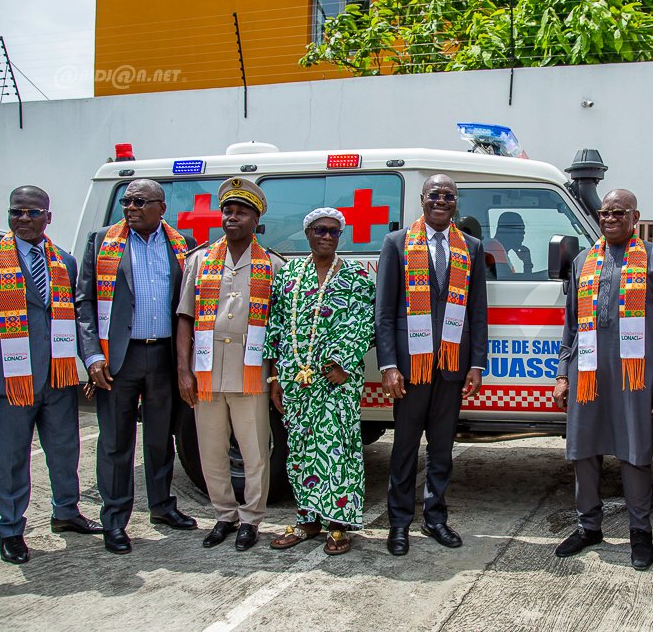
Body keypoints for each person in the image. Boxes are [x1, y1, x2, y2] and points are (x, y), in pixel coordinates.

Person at [553, 189, 653, 571]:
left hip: (636, 376)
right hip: (588, 372)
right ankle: (588, 525)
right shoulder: (582, 261)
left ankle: (640, 533)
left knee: (635, 452)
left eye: (618, 212)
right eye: (604, 212)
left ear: (635, 216)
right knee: (584, 450)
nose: (609, 218)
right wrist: (563, 373)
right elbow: (571, 325)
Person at [0, 186, 103, 564]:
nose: (24, 220)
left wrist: (88, 363)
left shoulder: (63, 262)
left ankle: (66, 513)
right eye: (17, 212)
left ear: (48, 217)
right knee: (11, 457)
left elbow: (79, 318)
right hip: (11, 379)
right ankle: (11, 529)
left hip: (58, 377)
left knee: (65, 451)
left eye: (33, 213)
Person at [75, 178, 197, 555]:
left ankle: (161, 507)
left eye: (140, 201)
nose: (130, 207)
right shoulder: (102, 242)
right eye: (126, 201)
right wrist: (93, 355)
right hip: (118, 359)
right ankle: (114, 520)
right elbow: (84, 304)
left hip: (162, 356)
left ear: (161, 207)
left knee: (161, 439)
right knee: (115, 443)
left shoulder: (183, 247)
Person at [376, 174, 488, 556]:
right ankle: (399, 523)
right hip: (410, 368)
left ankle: (436, 517)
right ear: (422, 200)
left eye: (449, 196)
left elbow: (477, 311)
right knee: (404, 447)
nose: (441, 201)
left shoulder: (470, 247)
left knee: (442, 448)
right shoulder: (396, 244)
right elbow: (385, 312)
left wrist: (476, 364)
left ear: (457, 202)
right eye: (434, 195)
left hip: (453, 365)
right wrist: (389, 364)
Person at [175, 178, 284, 551]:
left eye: (242, 212)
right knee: (211, 450)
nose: (232, 216)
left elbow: (280, 328)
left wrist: (275, 377)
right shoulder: (200, 260)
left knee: (255, 451)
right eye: (228, 210)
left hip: (251, 371)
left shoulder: (273, 265)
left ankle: (251, 520)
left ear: (257, 220)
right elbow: (185, 318)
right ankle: (224, 515)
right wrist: (183, 371)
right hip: (206, 372)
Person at [263, 208, 375, 555]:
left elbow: (367, 323)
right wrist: (273, 375)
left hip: (337, 381)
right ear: (307, 233)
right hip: (296, 380)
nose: (327, 237)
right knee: (300, 451)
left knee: (337, 449)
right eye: (320, 230)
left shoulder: (356, 276)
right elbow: (277, 324)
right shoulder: (290, 274)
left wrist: (343, 363)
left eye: (334, 232)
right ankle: (308, 520)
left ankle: (338, 524)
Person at [485, 211, 532, 277]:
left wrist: (527, 264)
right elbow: (508, 282)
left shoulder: (500, 250)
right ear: (504, 230)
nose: (523, 233)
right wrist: (528, 265)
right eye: (520, 229)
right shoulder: (494, 247)